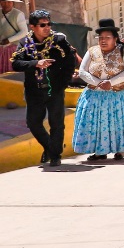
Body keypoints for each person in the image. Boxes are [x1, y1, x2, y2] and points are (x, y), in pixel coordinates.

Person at [11, 10, 77, 166]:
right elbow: (15, 63)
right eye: (42, 25)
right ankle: (49, 147)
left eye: (48, 24)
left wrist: (63, 83)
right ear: (33, 27)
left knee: (57, 123)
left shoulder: (59, 40)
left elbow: (70, 61)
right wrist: (35, 64)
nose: (47, 27)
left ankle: (55, 156)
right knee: (33, 123)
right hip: (34, 90)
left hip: (55, 89)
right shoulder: (25, 44)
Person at [72, 19, 124, 160]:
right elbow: (82, 71)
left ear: (115, 39)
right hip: (95, 95)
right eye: (101, 38)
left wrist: (111, 83)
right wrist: (99, 83)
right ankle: (99, 151)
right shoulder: (92, 51)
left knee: (119, 122)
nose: (103, 41)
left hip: (119, 94)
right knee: (97, 124)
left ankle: (120, 149)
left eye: (107, 38)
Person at [0, 0, 28, 74]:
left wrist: (9, 40)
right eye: (4, 2)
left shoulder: (18, 14)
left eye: (9, 2)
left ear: (13, 3)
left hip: (13, 49)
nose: (6, 4)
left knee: (11, 73)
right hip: (1, 49)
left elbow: (24, 31)